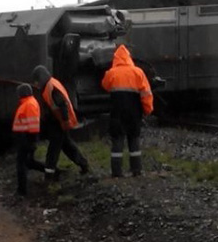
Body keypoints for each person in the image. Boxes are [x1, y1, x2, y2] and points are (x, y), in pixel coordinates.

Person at [101, 44, 153, 177]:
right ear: (129, 58)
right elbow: (146, 94)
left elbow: (105, 86)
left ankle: (116, 171)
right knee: (133, 139)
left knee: (117, 140)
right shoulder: (138, 72)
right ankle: (136, 170)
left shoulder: (111, 73)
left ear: (116, 59)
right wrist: (148, 110)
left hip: (117, 113)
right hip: (134, 113)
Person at [31, 65, 89, 180]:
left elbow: (62, 105)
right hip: (58, 122)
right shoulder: (51, 84)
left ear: (41, 78)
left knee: (54, 149)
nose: (37, 84)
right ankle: (83, 164)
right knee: (67, 146)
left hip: (59, 122)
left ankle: (49, 174)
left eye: (37, 81)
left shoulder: (51, 88)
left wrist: (66, 120)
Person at [12, 83, 45, 195]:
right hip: (26, 138)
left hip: (26, 139)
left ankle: (22, 191)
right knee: (29, 163)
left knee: (21, 164)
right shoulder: (28, 103)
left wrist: (31, 142)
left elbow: (33, 124)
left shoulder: (29, 104)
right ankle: (53, 172)